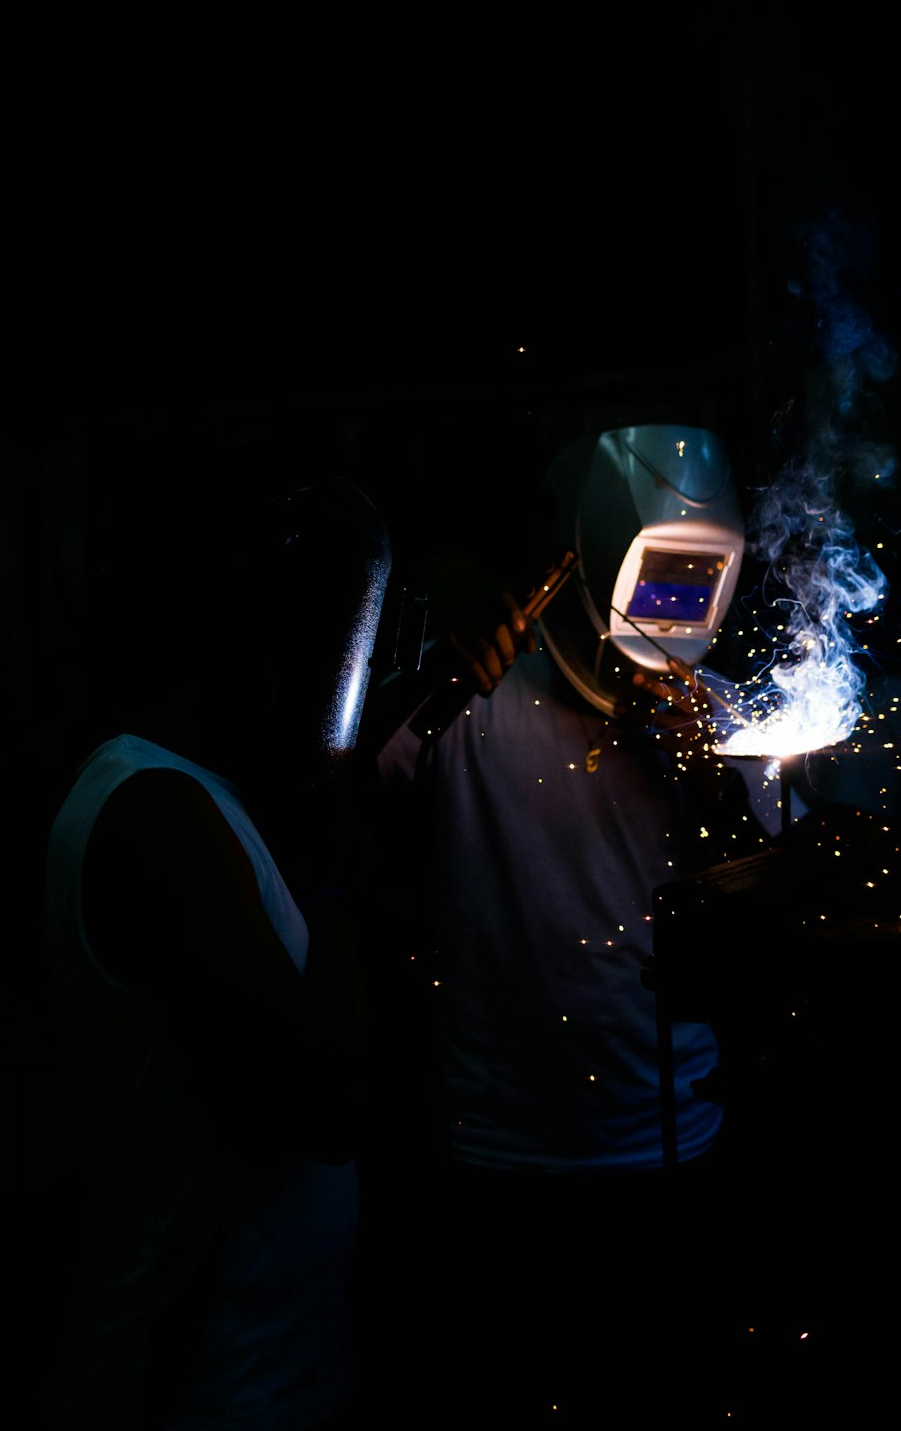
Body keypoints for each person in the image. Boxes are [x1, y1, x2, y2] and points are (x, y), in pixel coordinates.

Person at [353, 425, 774, 1425]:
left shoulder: (728, 729)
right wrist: (434, 677)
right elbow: (335, 814)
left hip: (677, 1155)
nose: (671, 617)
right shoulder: (468, 709)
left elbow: (763, 932)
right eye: (654, 580)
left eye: (693, 585)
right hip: (504, 1169)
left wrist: (710, 779)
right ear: (588, 563)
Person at [43, 466, 392, 1431]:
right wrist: (337, 858)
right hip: (209, 1390)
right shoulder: (161, 815)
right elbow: (324, 1106)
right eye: (334, 647)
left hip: (269, 1367)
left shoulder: (205, 795)